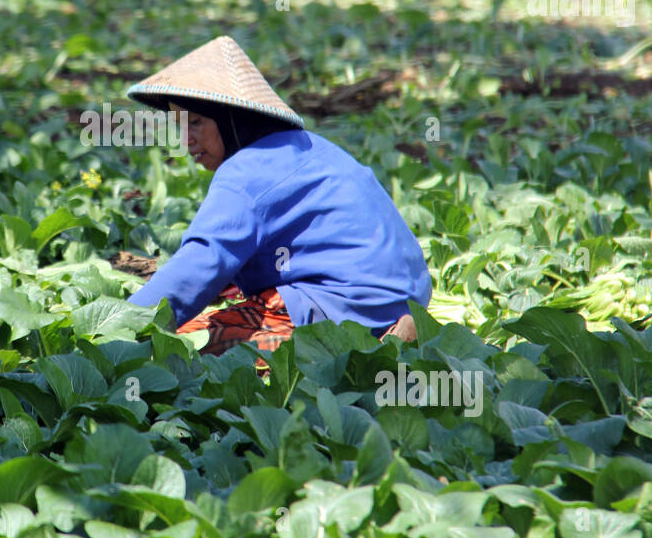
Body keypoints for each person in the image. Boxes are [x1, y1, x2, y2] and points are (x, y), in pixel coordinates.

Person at [125, 35, 431, 358]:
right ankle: (393, 333)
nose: (186, 140)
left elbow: (201, 263)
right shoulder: (309, 146)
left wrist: (124, 325)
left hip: (348, 306)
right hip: (407, 297)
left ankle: (368, 342)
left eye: (197, 123)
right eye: (180, 125)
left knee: (177, 349)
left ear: (232, 119)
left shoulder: (244, 174)